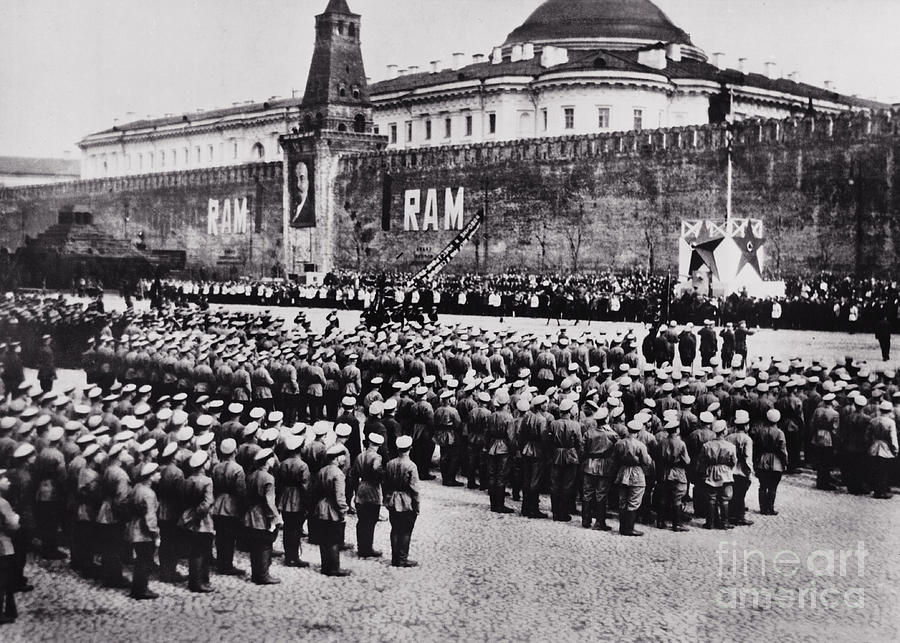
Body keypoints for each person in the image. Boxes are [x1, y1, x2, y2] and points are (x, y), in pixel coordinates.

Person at [244, 448, 283, 583]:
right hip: (262, 516)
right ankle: (263, 575)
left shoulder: (251, 475)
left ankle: (256, 573)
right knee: (265, 545)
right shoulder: (268, 478)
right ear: (268, 461)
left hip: (251, 514)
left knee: (255, 545)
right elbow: (269, 501)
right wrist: (275, 518)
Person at [210, 438, 247, 576]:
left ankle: (221, 562)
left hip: (218, 503)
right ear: (235, 451)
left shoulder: (216, 467)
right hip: (231, 505)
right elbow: (241, 490)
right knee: (230, 537)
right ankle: (227, 565)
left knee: (220, 536)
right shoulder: (237, 469)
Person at [179, 451, 214, 593]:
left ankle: (201, 580)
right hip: (203, 520)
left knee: (195, 550)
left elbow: (183, 499)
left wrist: (190, 514)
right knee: (201, 551)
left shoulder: (187, 480)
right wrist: (197, 513)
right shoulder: (207, 481)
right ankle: (197, 582)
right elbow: (207, 502)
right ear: (204, 464)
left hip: (189, 518)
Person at [314, 444, 350, 576]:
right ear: (336, 458)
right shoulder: (338, 474)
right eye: (342, 456)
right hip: (332, 509)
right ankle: (334, 568)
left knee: (324, 540)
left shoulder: (322, 470)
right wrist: (343, 511)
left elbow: (316, 490)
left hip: (321, 507)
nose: (344, 459)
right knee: (334, 540)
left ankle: (325, 566)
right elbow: (339, 497)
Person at [611, 419, 652, 536]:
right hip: (636, 472)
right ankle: (629, 528)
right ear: (638, 432)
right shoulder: (640, 445)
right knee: (634, 500)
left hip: (622, 472)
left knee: (623, 500)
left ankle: (622, 527)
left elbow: (614, 458)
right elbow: (645, 462)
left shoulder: (619, 443)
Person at [384, 435, 420, 568]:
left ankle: (395, 558)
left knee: (395, 529)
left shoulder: (390, 463)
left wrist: (386, 499)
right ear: (410, 448)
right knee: (406, 531)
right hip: (406, 500)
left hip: (393, 499)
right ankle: (402, 559)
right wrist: (417, 506)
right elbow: (415, 489)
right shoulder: (411, 466)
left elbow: (385, 484)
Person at [127, 463, 161, 600]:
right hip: (144, 532)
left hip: (134, 528)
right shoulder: (149, 493)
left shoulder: (137, 488)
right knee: (145, 561)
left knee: (140, 560)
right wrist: (156, 534)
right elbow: (150, 517)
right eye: (157, 473)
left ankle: (137, 588)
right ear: (150, 477)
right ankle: (141, 590)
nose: (160, 475)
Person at [275, 435, 310, 568]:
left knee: (288, 529)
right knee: (296, 529)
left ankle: (288, 555)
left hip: (285, 498)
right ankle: (294, 557)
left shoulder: (283, 463)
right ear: (300, 449)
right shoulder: (303, 466)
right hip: (298, 499)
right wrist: (307, 504)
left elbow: (279, 483)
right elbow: (305, 486)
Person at [350, 433, 384, 558]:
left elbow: (353, 474)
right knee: (371, 520)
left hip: (361, 487)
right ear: (379, 445)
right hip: (372, 490)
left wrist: (355, 490)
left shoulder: (360, 456)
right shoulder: (377, 457)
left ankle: (361, 547)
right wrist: (380, 478)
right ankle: (367, 548)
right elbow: (377, 471)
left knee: (362, 519)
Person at [652, 418, 690, 532]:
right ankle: (677, 524)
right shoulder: (681, 443)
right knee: (677, 498)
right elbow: (687, 460)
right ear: (677, 430)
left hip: (664, 471)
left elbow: (657, 457)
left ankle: (660, 521)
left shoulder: (662, 442)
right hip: (677, 472)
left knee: (663, 497)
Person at [699, 420, 737, 529]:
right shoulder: (730, 446)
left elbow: (702, 460)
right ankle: (724, 523)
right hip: (725, 473)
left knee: (711, 498)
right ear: (724, 431)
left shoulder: (707, 445)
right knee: (725, 498)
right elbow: (733, 461)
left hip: (710, 472)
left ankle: (710, 523)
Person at [753, 409, 788, 515]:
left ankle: (763, 508)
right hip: (776, 461)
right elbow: (782, 450)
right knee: (773, 486)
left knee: (763, 485)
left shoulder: (760, 431)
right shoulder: (780, 433)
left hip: (762, 459)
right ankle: (770, 507)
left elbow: (756, 447)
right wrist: (785, 462)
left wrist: (755, 460)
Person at [725, 411, 755, 526]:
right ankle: (740, 516)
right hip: (742, 469)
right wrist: (749, 472)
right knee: (741, 495)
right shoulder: (747, 439)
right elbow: (748, 457)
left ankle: (731, 514)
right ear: (747, 425)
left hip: (731, 470)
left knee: (732, 493)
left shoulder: (728, 437)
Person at [0, 468, 20, 623]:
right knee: (3, 579)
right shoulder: (3, 503)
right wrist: (17, 518)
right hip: (3, 545)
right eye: (4, 479)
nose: (8, 481)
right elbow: (12, 525)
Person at [867, 400, 898, 499]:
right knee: (884, 471)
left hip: (874, 446)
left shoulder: (873, 420)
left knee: (875, 470)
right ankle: (882, 492)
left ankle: (876, 490)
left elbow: (867, 435)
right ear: (889, 411)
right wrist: (895, 449)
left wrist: (869, 445)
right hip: (885, 447)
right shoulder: (891, 422)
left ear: (880, 410)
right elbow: (893, 438)